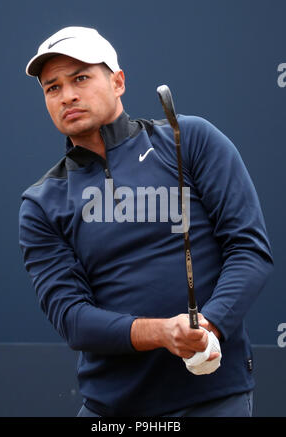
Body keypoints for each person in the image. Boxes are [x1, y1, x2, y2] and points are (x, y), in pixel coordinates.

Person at [19, 26, 273, 417]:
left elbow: (249, 249)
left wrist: (209, 325)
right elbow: (72, 318)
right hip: (112, 410)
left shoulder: (189, 139)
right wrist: (163, 333)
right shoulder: (41, 202)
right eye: (52, 88)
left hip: (214, 399)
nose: (67, 95)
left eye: (81, 78)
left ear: (118, 82)